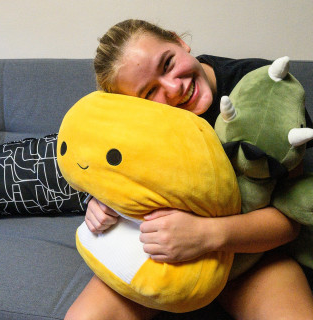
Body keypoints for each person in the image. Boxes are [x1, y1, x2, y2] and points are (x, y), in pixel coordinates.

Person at [65, 19, 313, 320]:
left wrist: (206, 234)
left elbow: (291, 220)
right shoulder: (133, 121)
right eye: (148, 93)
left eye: (168, 63)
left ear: (178, 40)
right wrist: (100, 204)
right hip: (163, 261)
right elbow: (106, 170)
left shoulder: (259, 88)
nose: (174, 88)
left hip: (253, 255)